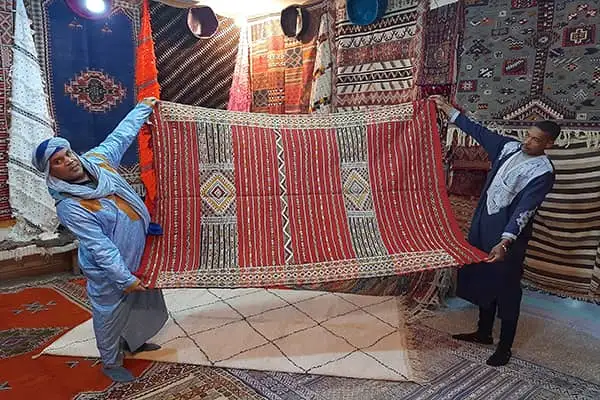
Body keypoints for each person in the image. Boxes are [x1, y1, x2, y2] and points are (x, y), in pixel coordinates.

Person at [32, 97, 168, 382]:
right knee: (110, 313)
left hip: (139, 251)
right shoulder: (70, 205)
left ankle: (135, 342)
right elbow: (100, 245)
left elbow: (121, 134)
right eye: (57, 161)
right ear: (51, 172)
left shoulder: (99, 161)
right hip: (110, 270)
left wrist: (144, 108)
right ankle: (110, 360)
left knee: (143, 303)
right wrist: (123, 278)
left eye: (67, 153)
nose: (68, 161)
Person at [430, 95, 559, 366]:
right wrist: (448, 109)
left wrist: (505, 241)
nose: (528, 141)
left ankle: (505, 347)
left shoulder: (543, 172)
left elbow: (526, 208)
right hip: (483, 225)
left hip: (507, 236)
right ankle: (484, 333)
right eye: (528, 135)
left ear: (549, 144)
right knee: (482, 276)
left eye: (536, 139)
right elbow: (479, 132)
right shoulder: (508, 148)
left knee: (507, 287)